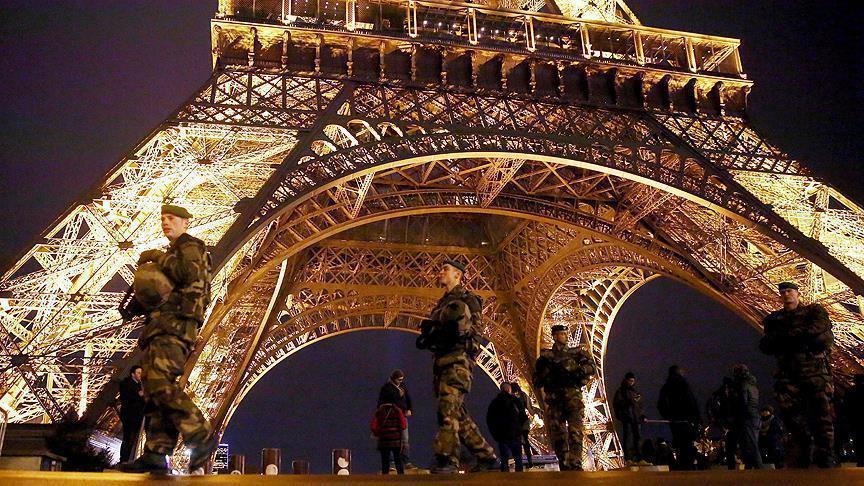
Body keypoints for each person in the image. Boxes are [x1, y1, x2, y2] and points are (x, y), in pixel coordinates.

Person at [120, 205, 216, 474]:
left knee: (159, 382)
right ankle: (156, 452)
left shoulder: (190, 246)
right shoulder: (175, 251)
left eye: (171, 218)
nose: (165, 222)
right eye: (162, 218)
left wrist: (157, 257)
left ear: (186, 222)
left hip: (177, 325)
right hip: (162, 324)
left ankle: (199, 431)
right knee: (152, 390)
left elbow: (187, 274)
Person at [416, 258, 497, 473]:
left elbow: (476, 331)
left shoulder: (468, 299)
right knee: (457, 413)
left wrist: (461, 342)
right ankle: (486, 456)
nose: (440, 272)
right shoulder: (442, 304)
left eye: (445, 269)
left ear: (458, 275)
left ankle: (447, 459)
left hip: (457, 360)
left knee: (447, 409)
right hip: (442, 361)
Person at [759, 281, 835, 468]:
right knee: (790, 416)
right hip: (788, 376)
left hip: (814, 373)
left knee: (821, 415)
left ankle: (825, 455)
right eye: (783, 292)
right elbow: (766, 345)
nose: (786, 294)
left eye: (790, 291)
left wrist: (786, 339)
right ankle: (805, 449)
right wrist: (799, 338)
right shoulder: (775, 319)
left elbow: (821, 332)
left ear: (798, 293)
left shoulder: (813, 311)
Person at [533, 324, 596, 471]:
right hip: (556, 401)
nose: (566, 336)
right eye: (562, 334)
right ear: (555, 336)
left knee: (576, 432)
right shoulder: (546, 357)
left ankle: (576, 463)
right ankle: (564, 463)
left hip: (573, 399)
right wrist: (548, 374)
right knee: (559, 436)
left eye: (566, 333)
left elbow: (592, 367)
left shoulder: (576, 353)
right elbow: (536, 381)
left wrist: (579, 371)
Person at [657, 365, 701, 470]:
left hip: (675, 420)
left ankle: (681, 465)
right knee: (687, 443)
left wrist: (668, 415)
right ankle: (687, 466)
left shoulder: (666, 387)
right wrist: (696, 417)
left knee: (680, 443)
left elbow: (661, 404)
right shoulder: (684, 386)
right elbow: (692, 402)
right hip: (686, 419)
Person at [378, 369, 414, 468]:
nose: (400, 381)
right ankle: (392, 463)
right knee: (390, 441)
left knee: (405, 439)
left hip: (402, 416)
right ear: (393, 379)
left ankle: (406, 461)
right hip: (391, 418)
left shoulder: (403, 386)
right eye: (399, 379)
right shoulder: (386, 388)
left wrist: (409, 409)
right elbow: (383, 402)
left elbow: (408, 399)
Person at [729, 364, 762, 469]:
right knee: (751, 442)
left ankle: (758, 467)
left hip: (746, 416)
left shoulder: (742, 385)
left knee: (749, 443)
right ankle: (752, 466)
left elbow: (743, 402)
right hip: (754, 415)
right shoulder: (752, 385)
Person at [486, 383, 524, 472]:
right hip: (515, 434)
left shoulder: (494, 403)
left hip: (501, 435)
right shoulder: (516, 401)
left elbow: (489, 420)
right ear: (510, 390)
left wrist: (495, 434)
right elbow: (523, 416)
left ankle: (504, 477)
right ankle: (521, 478)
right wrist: (519, 430)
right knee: (518, 459)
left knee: (504, 459)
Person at [613, 372, 645, 464]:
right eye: (630, 380)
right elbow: (617, 404)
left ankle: (639, 458)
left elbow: (639, 406)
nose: (632, 382)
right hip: (627, 417)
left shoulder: (634, 391)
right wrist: (629, 402)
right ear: (626, 380)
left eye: (633, 381)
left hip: (635, 418)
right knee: (628, 438)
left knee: (637, 438)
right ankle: (628, 459)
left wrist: (642, 415)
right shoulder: (621, 391)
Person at [118, 365, 146, 463]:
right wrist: (139, 395)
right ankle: (124, 460)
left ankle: (127, 460)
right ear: (132, 374)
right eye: (138, 373)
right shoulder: (127, 384)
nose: (140, 375)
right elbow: (126, 398)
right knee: (128, 437)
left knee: (132, 438)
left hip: (136, 415)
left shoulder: (139, 385)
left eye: (141, 373)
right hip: (130, 415)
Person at [706, 377, 736, 468]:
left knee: (728, 447)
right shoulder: (724, 397)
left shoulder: (717, 397)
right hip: (724, 425)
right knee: (728, 447)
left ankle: (726, 464)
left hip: (722, 425)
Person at [370, 402, 407, 474]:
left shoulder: (379, 411)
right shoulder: (397, 410)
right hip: (396, 440)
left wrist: (378, 433)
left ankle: (385, 478)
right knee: (398, 460)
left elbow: (373, 426)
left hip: (383, 440)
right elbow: (403, 425)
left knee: (385, 462)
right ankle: (401, 478)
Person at [510, 382, 534, 468]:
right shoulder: (524, 395)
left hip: (516, 422)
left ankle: (518, 462)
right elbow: (530, 409)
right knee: (525, 441)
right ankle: (530, 461)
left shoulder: (510, 397)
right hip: (524, 420)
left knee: (517, 442)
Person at [846, 374, 864, 467]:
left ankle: (860, 459)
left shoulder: (850, 391)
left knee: (858, 440)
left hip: (855, 419)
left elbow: (847, 406)